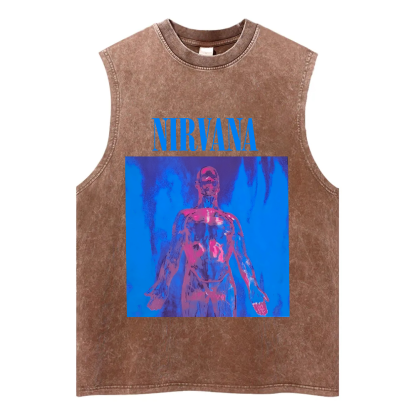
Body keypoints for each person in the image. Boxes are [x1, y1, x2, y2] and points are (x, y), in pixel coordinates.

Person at [145, 166, 269, 317]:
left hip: (223, 282)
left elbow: (243, 258)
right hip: (194, 281)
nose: (209, 183)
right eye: (205, 180)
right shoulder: (185, 218)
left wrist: (253, 287)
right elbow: (173, 255)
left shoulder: (230, 221)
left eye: (213, 180)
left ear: (218, 186)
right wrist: (163, 284)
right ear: (197, 184)